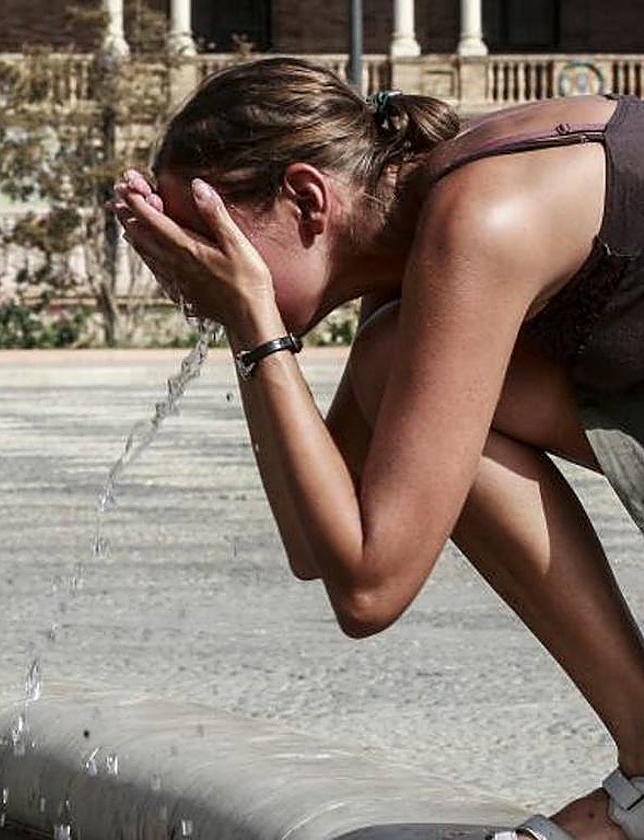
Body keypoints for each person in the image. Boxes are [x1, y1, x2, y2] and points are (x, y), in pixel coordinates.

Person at [111, 56, 644, 840]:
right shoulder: (419, 242)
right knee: (392, 363)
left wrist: (256, 321)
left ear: (305, 197)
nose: (194, 281)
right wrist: (244, 321)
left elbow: (371, 589)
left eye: (209, 244)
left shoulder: (481, 220)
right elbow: (315, 541)